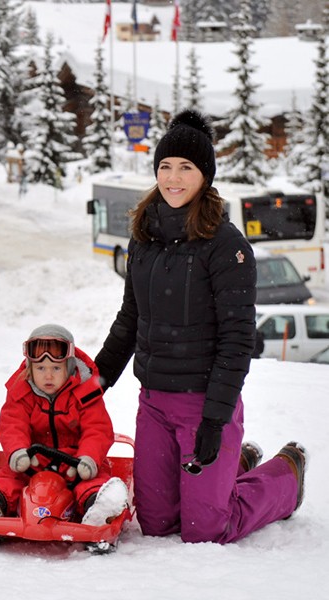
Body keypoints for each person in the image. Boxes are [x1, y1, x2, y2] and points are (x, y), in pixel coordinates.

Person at [94, 109, 307, 544]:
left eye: (186, 168)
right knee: (155, 523)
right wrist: (96, 379)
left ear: (205, 175)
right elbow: (130, 319)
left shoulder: (226, 246)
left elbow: (237, 339)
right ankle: (233, 466)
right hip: (154, 402)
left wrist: (214, 420)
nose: (173, 178)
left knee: (205, 528)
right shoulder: (143, 238)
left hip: (205, 404)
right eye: (165, 167)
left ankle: (286, 475)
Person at [0, 325, 129, 526]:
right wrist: (17, 452)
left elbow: (97, 429)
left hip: (76, 464)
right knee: (9, 476)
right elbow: (12, 424)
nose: (48, 376)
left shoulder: (85, 393)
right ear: (30, 368)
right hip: (33, 460)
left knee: (93, 481)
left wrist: (89, 459)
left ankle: (98, 506)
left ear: (68, 368)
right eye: (41, 368)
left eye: (56, 369)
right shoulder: (21, 391)